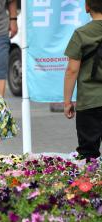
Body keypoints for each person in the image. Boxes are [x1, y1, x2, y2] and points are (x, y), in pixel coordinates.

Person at [64, 0, 102, 161]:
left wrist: (67, 102)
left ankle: (92, 186)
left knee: (88, 154)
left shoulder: (81, 33)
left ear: (87, 7)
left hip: (89, 102)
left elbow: (72, 70)